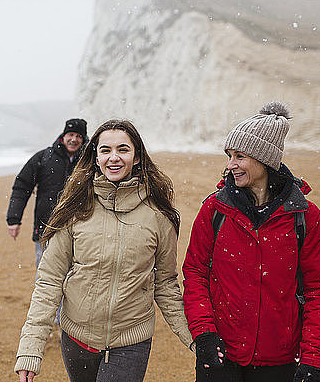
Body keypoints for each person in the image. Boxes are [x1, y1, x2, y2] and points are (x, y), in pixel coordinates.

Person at [14, 120, 193, 382]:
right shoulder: (75, 208)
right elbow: (49, 280)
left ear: (137, 156)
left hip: (131, 341)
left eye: (123, 149)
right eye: (105, 150)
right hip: (76, 340)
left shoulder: (158, 216)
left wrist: (196, 339)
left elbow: (165, 283)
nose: (114, 158)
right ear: (95, 157)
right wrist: (31, 348)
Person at [182, 102, 320, 382]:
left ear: (264, 159)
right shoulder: (215, 210)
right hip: (220, 357)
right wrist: (204, 334)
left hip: (280, 361)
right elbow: (195, 274)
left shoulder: (304, 217)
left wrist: (314, 360)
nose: (230, 165)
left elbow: (319, 291)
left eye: (239, 156)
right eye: (229, 156)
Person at [6, 118, 88, 268]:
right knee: (44, 270)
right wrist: (13, 219)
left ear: (84, 139)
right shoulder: (44, 157)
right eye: (70, 135)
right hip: (46, 227)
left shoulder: (89, 161)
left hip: (80, 229)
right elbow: (22, 187)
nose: (74, 139)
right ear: (63, 136)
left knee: (76, 272)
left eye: (79, 136)